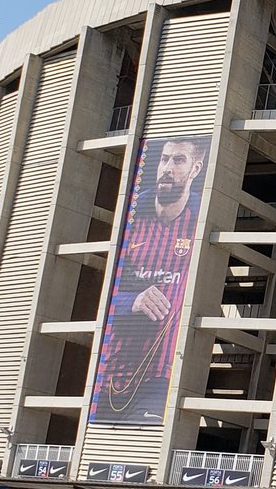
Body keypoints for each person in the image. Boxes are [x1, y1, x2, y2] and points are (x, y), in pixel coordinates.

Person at [90, 136, 208, 424]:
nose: (167, 167)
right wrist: (134, 300)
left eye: (178, 160)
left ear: (196, 168)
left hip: (160, 374)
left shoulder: (201, 219)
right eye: (164, 158)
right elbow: (103, 295)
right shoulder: (134, 217)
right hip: (110, 370)